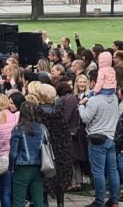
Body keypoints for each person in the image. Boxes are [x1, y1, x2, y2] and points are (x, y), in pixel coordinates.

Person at [79, 71, 120, 207]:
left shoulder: (94, 100)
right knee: (112, 171)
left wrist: (81, 105)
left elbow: (85, 118)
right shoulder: (114, 98)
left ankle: (99, 200)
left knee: (98, 171)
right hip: (110, 138)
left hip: (97, 140)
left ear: (94, 83)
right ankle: (114, 200)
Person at [34, 84, 72, 207]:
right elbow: (66, 133)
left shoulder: (37, 112)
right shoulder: (60, 112)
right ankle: (60, 204)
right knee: (59, 180)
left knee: (44, 180)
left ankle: (45, 203)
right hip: (60, 150)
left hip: (44, 151)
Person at [9, 101, 46, 207]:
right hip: (39, 167)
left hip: (22, 168)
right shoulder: (42, 128)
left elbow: (13, 152)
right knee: (39, 200)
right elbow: (46, 147)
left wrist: (11, 168)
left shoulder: (18, 129)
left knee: (18, 201)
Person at [0, 94, 18, 207]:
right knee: (15, 188)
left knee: (5, 190)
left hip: (2, 157)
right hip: (15, 155)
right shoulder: (16, 117)